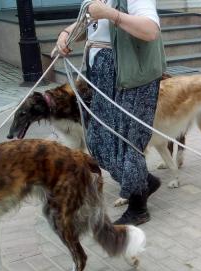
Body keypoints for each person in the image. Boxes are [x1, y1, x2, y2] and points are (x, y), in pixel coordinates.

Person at [54, 0, 166, 225]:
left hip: (132, 77)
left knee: (128, 141)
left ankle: (138, 207)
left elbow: (150, 30)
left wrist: (110, 14)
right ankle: (144, 181)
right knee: (97, 139)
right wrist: (66, 34)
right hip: (102, 76)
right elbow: (90, 26)